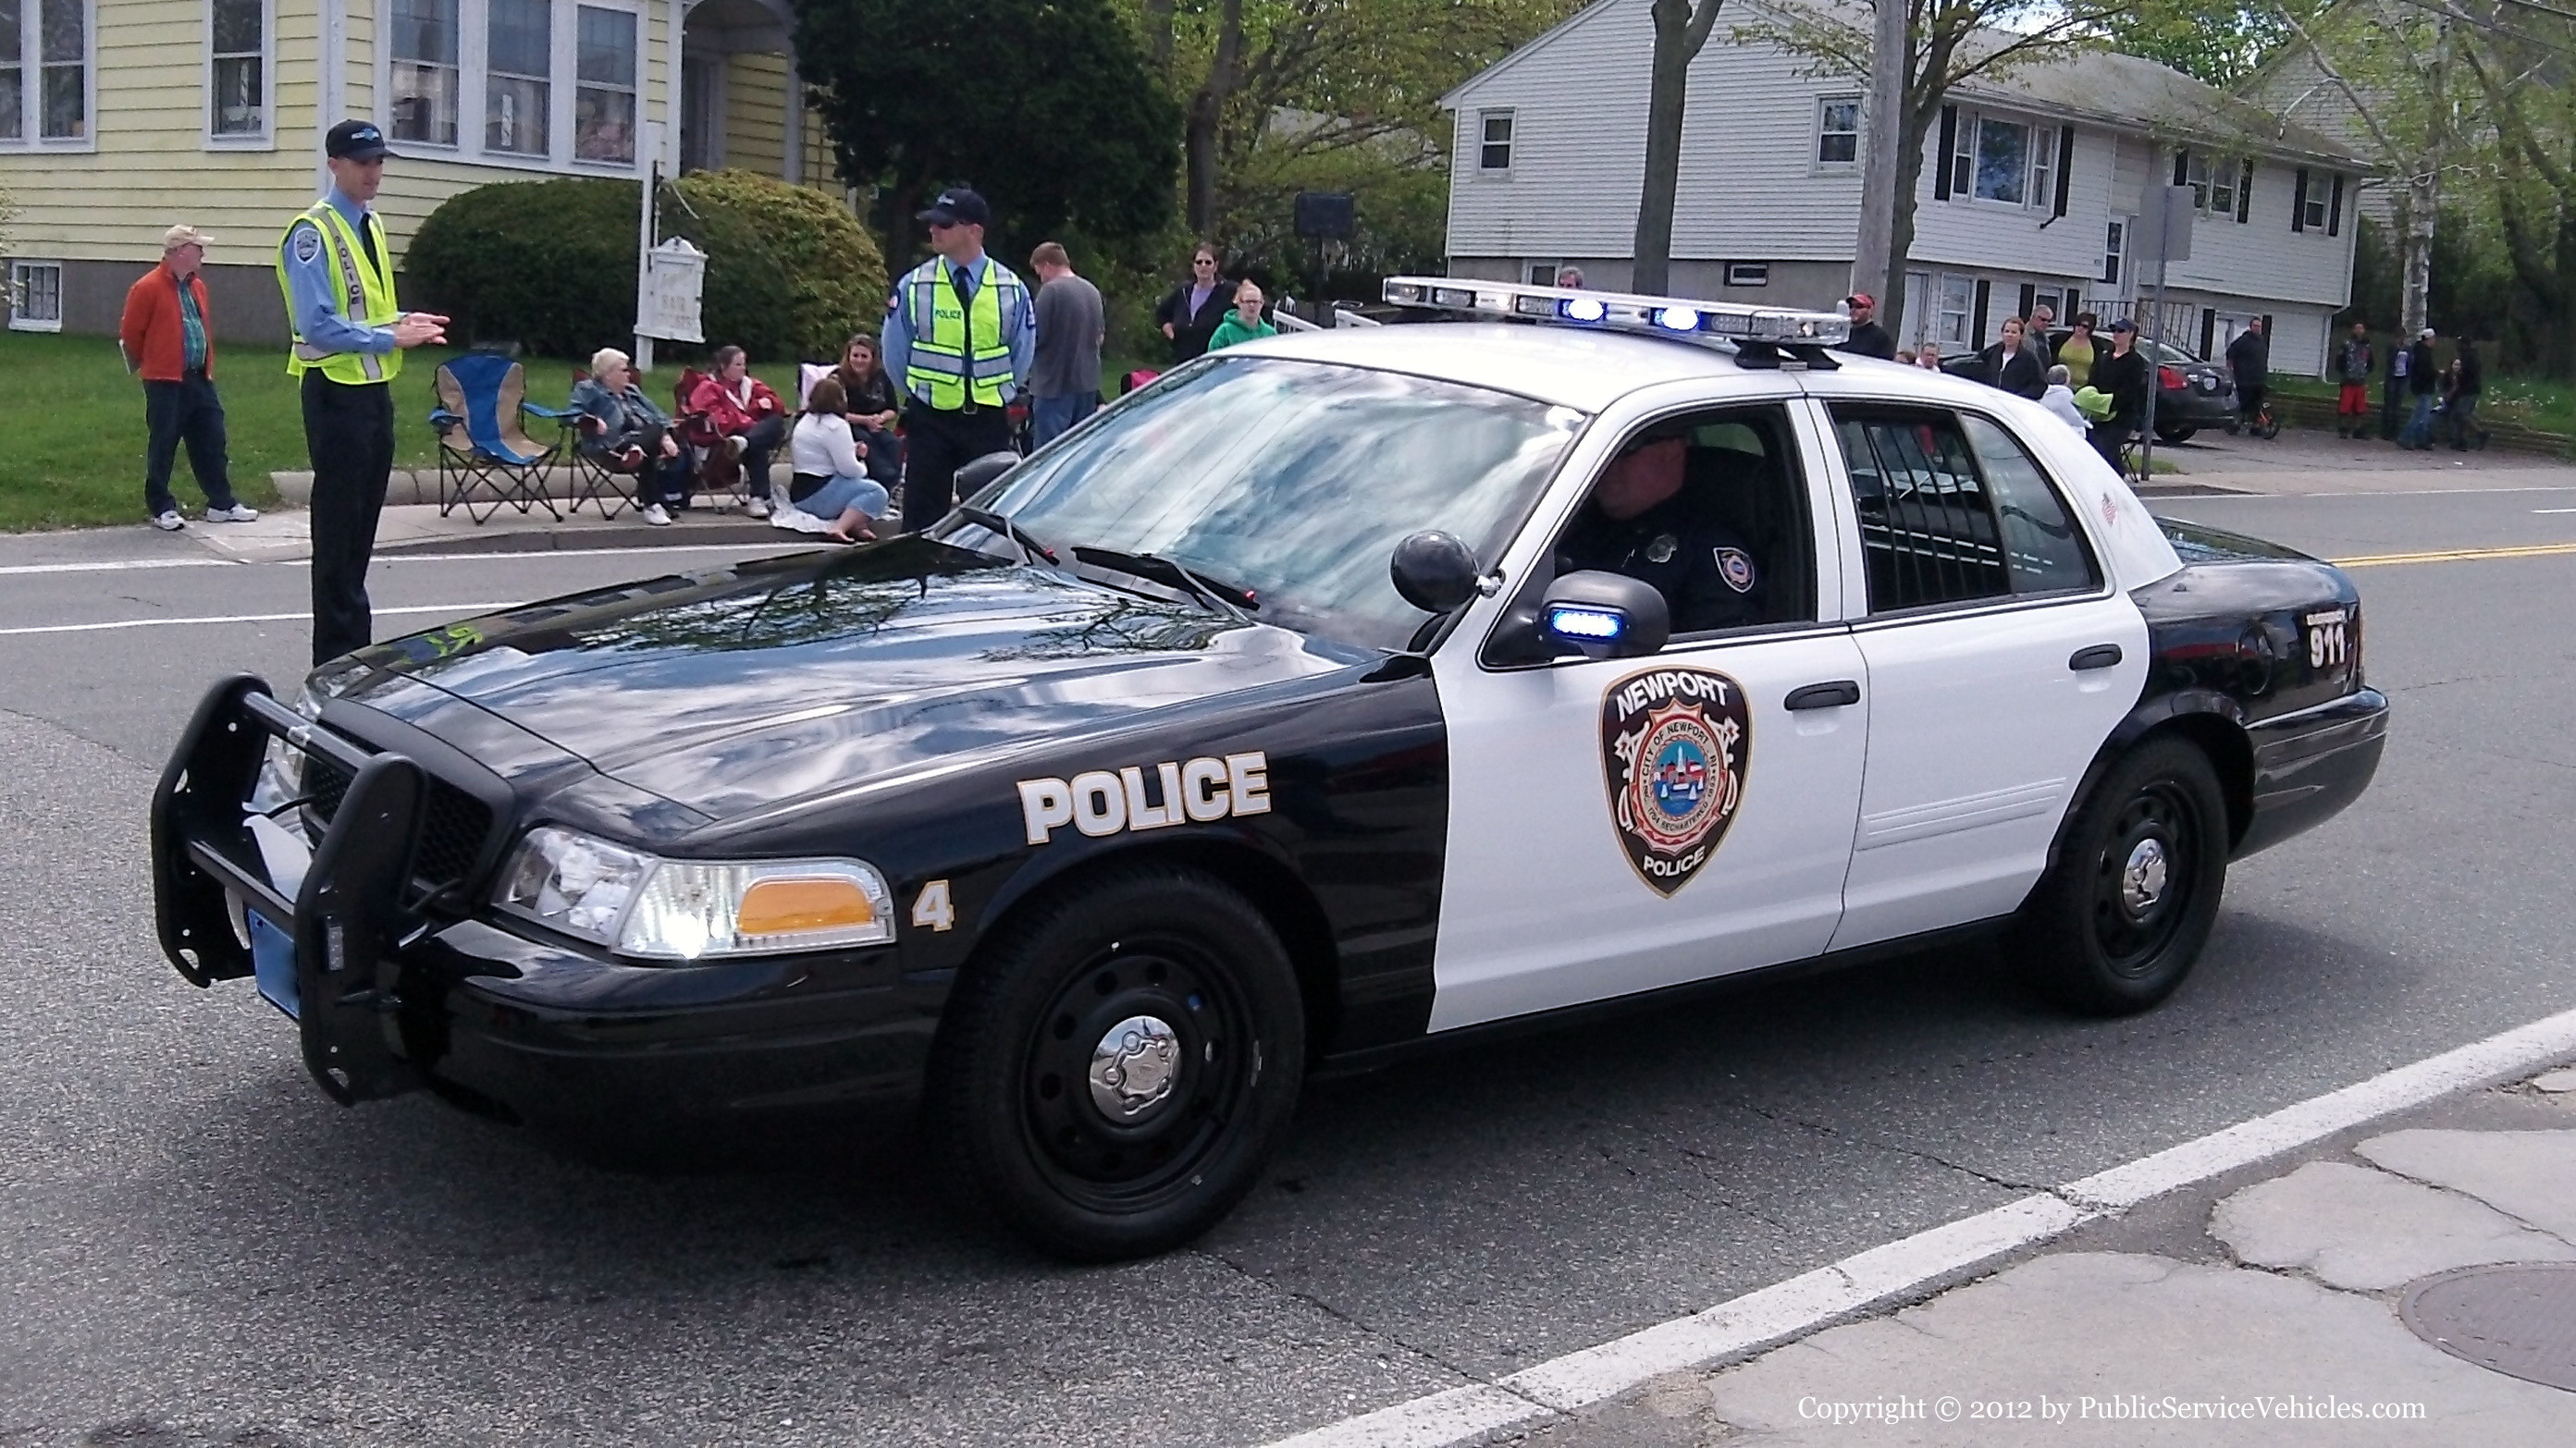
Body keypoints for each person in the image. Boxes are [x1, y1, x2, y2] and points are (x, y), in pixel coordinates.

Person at [277, 119, 449, 666]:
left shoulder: (369, 225)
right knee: (338, 532)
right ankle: (335, 658)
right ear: (334, 165)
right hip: (334, 393)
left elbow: (366, 309)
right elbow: (319, 324)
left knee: (361, 531)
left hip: (373, 391)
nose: (374, 172)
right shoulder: (312, 232)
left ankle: (353, 653)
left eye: (378, 162)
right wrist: (388, 335)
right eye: (362, 162)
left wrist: (401, 320)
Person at [881, 187, 1037, 534]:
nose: (934, 230)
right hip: (930, 417)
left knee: (988, 524)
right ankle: (921, 584)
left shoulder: (1010, 287)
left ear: (974, 231)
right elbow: (894, 353)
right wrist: (922, 393)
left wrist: (1000, 390)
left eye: (945, 225)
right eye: (933, 223)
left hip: (986, 418)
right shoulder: (915, 284)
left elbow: (1021, 352)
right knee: (921, 520)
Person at [1554, 430, 1763, 633]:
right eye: (1601, 455)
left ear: (1671, 452)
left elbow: (1726, 653)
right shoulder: (1569, 522)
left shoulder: (1704, 548)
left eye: (1623, 452)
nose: (1607, 466)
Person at [121, 224, 256, 532]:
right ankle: (161, 506)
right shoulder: (148, 287)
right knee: (164, 440)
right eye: (198, 248)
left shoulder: (197, 286)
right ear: (180, 251)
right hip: (165, 380)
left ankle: (221, 502)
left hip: (198, 376)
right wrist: (155, 359)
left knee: (211, 437)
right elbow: (131, 333)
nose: (203, 253)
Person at [570, 347, 691, 525]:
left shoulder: (632, 391)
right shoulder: (588, 389)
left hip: (643, 443)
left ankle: (639, 456)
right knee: (652, 440)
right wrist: (592, 420)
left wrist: (667, 436)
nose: (629, 374)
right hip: (610, 446)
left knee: (661, 435)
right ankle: (653, 504)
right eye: (624, 370)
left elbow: (659, 416)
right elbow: (571, 414)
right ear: (608, 373)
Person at [785, 375, 892, 543]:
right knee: (876, 491)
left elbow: (824, 452)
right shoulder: (836, 426)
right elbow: (849, 470)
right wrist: (862, 462)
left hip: (800, 494)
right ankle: (839, 528)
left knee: (855, 487)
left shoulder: (805, 421)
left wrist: (851, 449)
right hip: (820, 495)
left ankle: (856, 526)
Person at [683, 345, 784, 516]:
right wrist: (750, 417)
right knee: (757, 446)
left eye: (744, 364)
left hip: (746, 437)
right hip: (722, 441)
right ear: (723, 366)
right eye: (738, 364)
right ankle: (758, 497)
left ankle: (746, 443)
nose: (743, 368)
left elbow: (779, 406)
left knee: (775, 421)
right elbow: (718, 420)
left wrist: (764, 403)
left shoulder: (750, 385)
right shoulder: (709, 387)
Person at [1027, 240, 1105, 449]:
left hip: (1053, 386)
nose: (1041, 278)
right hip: (1087, 385)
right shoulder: (1092, 291)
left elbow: (1037, 337)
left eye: (1039, 272)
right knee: (1077, 453)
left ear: (1047, 265)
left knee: (1048, 456)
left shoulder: (1050, 291)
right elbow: (1100, 338)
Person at [829, 333, 902, 486]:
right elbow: (834, 411)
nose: (859, 360)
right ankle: (881, 480)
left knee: (893, 443)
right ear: (848, 356)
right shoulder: (837, 378)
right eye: (855, 355)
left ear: (872, 358)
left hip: (875, 425)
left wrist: (880, 418)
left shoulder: (881, 376)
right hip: (847, 426)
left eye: (864, 356)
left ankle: (893, 483)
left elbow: (892, 408)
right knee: (868, 442)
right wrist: (865, 420)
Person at [2088, 320, 2151, 473]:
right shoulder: (2105, 357)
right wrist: (2095, 401)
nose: (2116, 334)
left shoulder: (2135, 361)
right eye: (2114, 330)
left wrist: (2110, 404)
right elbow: (2093, 380)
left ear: (2131, 334)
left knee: (2106, 446)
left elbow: (2130, 391)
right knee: (2093, 445)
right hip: (2098, 414)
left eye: (2121, 331)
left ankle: (2115, 476)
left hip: (2121, 416)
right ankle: (2115, 475)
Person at [1152, 244, 1229, 364]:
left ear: (1216, 266)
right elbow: (1161, 313)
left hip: (1214, 363)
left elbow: (1250, 302)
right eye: (1199, 262)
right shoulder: (1183, 291)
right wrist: (1169, 330)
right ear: (1193, 266)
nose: (1203, 266)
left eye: (1208, 262)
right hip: (1182, 362)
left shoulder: (1227, 291)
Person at [1974, 317, 2046, 399]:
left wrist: (2020, 397)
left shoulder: (2029, 359)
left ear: (2021, 335)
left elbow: (2040, 385)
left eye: (2014, 332)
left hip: (2013, 403)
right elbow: (1977, 366)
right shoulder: (1993, 352)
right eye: (2007, 331)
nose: (2009, 335)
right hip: (1992, 400)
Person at [1205, 279, 1279, 351]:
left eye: (1255, 301)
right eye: (1248, 301)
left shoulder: (1270, 333)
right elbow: (1213, 360)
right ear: (1238, 302)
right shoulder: (1225, 331)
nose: (1252, 305)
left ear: (1262, 303)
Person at [2397, 328, 2440, 449]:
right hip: (2424, 386)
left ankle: (2422, 439)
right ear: (2429, 339)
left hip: (2421, 386)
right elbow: (2424, 371)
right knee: (2420, 414)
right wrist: (2436, 373)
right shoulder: (2424, 353)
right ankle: (2406, 437)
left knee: (2424, 414)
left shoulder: (2419, 351)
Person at [2226, 317, 2269, 434]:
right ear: (2251, 327)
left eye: (2259, 326)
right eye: (2255, 326)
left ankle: (2256, 425)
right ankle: (2236, 423)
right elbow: (2231, 352)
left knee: (2257, 403)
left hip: (2259, 377)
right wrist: (2230, 366)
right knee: (2243, 401)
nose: (2257, 328)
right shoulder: (2243, 340)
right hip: (2245, 377)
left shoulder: (2261, 341)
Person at [2333, 323, 2375, 438]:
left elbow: (2370, 361)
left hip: (2360, 380)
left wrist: (2366, 371)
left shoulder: (2367, 346)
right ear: (2353, 330)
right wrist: (2345, 372)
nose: (2359, 331)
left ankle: (2358, 429)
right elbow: (2339, 361)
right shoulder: (2346, 345)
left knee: (2359, 407)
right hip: (2348, 380)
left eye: (2361, 328)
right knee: (2345, 406)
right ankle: (2343, 429)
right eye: (2357, 328)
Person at [2442, 337, 2484, 451]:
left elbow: (2466, 374)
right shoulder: (2472, 356)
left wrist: (2458, 379)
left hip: (2468, 390)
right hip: (2470, 389)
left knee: (2461, 414)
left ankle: (2480, 433)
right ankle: (2461, 441)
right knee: (2460, 416)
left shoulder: (2468, 358)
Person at [1840, 292, 1895, 360]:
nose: (1853, 310)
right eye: (1851, 306)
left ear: (1870, 310)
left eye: (1859, 306)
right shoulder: (1844, 334)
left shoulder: (1880, 337)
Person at [2039, 364, 2089, 436]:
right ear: (2066, 379)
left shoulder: (2047, 392)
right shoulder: (2064, 395)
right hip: (2061, 430)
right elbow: (2073, 417)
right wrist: (2087, 424)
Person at [2383, 328, 2412, 441]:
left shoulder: (2408, 349)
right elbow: (2389, 360)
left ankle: (2394, 430)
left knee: (2397, 404)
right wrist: (2396, 348)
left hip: (2402, 377)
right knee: (2389, 403)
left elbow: (2410, 362)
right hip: (2392, 377)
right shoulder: (2392, 347)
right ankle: (2386, 430)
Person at [2057, 313, 2100, 388]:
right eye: (2078, 325)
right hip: (2060, 385)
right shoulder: (2060, 339)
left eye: (2084, 326)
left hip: (2083, 388)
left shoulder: (2097, 345)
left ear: (2090, 329)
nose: (2080, 328)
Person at [2023, 303, 2057, 371]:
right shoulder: (2023, 335)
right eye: (2043, 319)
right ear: (2033, 317)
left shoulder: (2044, 338)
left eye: (2049, 321)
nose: (2046, 323)